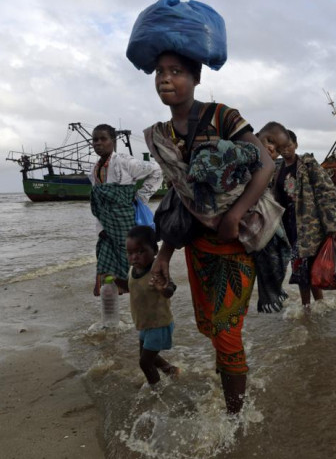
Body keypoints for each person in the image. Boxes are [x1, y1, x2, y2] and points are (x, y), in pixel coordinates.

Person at [142, 51, 276, 415]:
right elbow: (180, 200)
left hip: (238, 242)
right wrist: (164, 256)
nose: (165, 79)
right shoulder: (163, 134)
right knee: (213, 329)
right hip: (198, 248)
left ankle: (234, 422)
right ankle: (229, 391)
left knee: (227, 332)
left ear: (196, 78)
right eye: (159, 72)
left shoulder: (222, 115)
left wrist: (235, 212)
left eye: (176, 72)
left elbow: (265, 163)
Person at [89, 124, 163, 295]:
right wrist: (100, 229)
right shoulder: (94, 169)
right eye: (95, 140)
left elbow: (156, 170)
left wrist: (142, 196)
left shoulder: (124, 161)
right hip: (107, 226)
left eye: (103, 139)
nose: (98, 143)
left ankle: (141, 295)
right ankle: (115, 303)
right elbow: (99, 204)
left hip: (124, 221)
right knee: (105, 266)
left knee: (131, 260)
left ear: (113, 141)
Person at [273, 129, 336, 307]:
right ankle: (313, 308)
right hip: (288, 225)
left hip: (309, 226)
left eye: (289, 145)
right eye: (281, 147)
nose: (285, 149)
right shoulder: (277, 168)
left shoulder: (308, 165)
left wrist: (331, 226)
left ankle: (312, 308)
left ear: (296, 145)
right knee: (302, 268)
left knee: (307, 267)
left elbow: (327, 192)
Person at [126, 225, 179, 389]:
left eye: (140, 252)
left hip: (159, 324)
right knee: (146, 356)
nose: (135, 257)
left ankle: (157, 391)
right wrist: (116, 282)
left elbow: (171, 287)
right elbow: (133, 287)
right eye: (130, 253)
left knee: (145, 362)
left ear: (155, 250)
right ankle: (170, 370)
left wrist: (165, 289)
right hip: (145, 324)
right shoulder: (133, 270)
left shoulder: (156, 272)